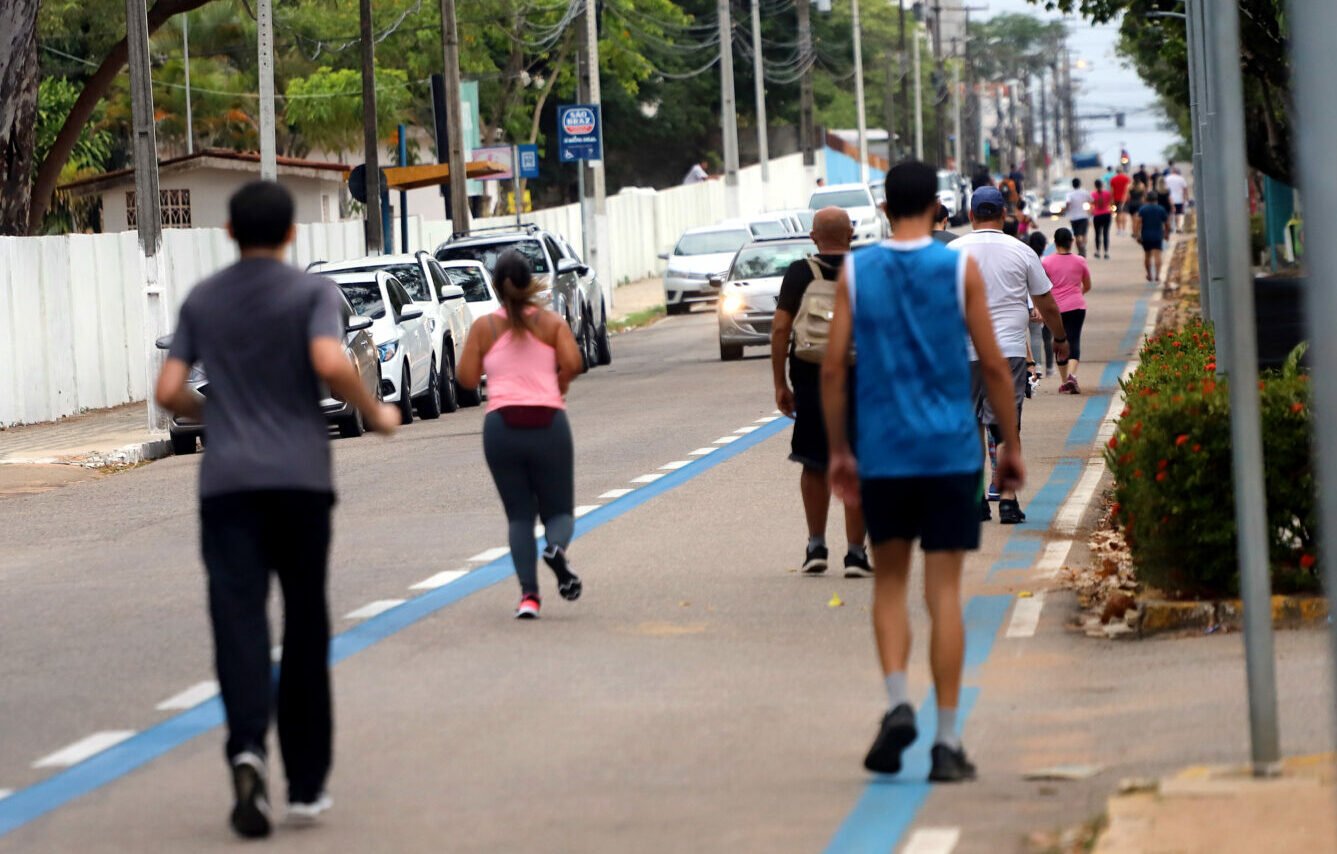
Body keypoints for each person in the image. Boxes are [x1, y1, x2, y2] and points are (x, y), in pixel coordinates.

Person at [154, 181, 400, 838]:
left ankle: (245, 751)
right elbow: (327, 359)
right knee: (304, 624)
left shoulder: (203, 299)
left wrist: (216, 414)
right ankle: (308, 783)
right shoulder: (311, 293)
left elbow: (169, 389)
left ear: (229, 234)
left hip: (227, 485)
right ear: (292, 234)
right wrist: (372, 409)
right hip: (298, 483)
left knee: (238, 624)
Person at [819, 161, 1027, 783]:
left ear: (883, 208)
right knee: (944, 596)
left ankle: (896, 704)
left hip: (884, 453)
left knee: (889, 588)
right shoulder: (958, 267)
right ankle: (947, 742)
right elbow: (992, 365)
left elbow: (832, 369)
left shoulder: (858, 270)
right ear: (939, 208)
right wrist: (1010, 445)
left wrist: (838, 450)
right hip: (950, 454)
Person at [457, 250, 585, 619]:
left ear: (496, 287)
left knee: (519, 517)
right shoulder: (550, 324)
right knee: (559, 512)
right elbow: (574, 362)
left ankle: (529, 597)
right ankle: (556, 550)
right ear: (530, 283)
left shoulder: (485, 327)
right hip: (548, 423)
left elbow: (466, 379)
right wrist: (558, 382)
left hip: (501, 427)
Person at [948, 187, 1069, 525]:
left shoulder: (952, 251)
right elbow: (1046, 303)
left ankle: (975, 503)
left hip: (963, 352)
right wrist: (1060, 338)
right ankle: (1008, 502)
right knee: (1007, 428)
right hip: (1009, 352)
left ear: (971, 216)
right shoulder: (1022, 251)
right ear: (1004, 215)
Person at [771, 207, 871, 577]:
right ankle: (856, 554)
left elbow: (781, 329)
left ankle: (816, 546)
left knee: (813, 462)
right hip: (861, 377)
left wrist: (780, 382)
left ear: (813, 237)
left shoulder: (800, 272)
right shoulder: (867, 269)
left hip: (812, 378)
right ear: (851, 234)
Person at [1041, 228, 1093, 394]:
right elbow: (1088, 285)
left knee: (1059, 340)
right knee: (1074, 339)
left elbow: (1042, 288)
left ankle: (1065, 380)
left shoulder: (1046, 262)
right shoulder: (1080, 261)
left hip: (1056, 309)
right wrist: (1076, 294)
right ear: (1071, 242)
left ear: (1055, 242)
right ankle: (1072, 375)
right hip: (1077, 306)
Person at [1025, 231, 1054, 385]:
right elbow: (1043, 288)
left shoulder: (1026, 258)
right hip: (1036, 303)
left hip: (1023, 302)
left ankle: (1029, 366)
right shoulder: (1044, 262)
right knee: (1038, 335)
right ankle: (1041, 366)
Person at [1133, 190, 1172, 282]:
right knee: (1157, 255)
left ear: (1147, 199)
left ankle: (1149, 275)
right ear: (1156, 199)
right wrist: (1167, 234)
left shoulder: (1143, 209)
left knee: (1147, 256)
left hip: (1146, 236)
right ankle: (1157, 275)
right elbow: (1167, 224)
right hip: (1158, 235)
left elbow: (1137, 223)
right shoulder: (1161, 209)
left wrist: (1137, 235)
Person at [1065, 177, 1093, 257]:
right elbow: (1091, 200)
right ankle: (1083, 246)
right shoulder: (1084, 192)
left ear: (1072, 185)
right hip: (1084, 216)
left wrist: (1067, 210)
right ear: (1080, 184)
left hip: (1074, 217)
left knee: (1077, 235)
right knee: (1084, 234)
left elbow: (1067, 203)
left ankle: (1080, 250)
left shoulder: (1070, 194)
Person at [1090, 179, 1114, 260]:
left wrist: (1091, 212)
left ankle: (1097, 251)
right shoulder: (1107, 193)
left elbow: (1091, 205)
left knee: (1097, 234)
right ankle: (1106, 252)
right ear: (1102, 185)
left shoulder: (1093, 194)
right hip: (1107, 214)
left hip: (1097, 215)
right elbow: (1111, 202)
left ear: (1095, 186)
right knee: (1106, 233)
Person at [1110, 167, 1132, 235]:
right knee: (1124, 214)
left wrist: (1112, 199)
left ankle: (1119, 229)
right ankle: (1124, 229)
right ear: (1122, 171)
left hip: (1116, 199)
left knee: (1117, 214)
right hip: (1125, 199)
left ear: (1116, 172)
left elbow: (1112, 190)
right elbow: (1128, 189)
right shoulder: (1127, 178)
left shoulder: (1113, 179)